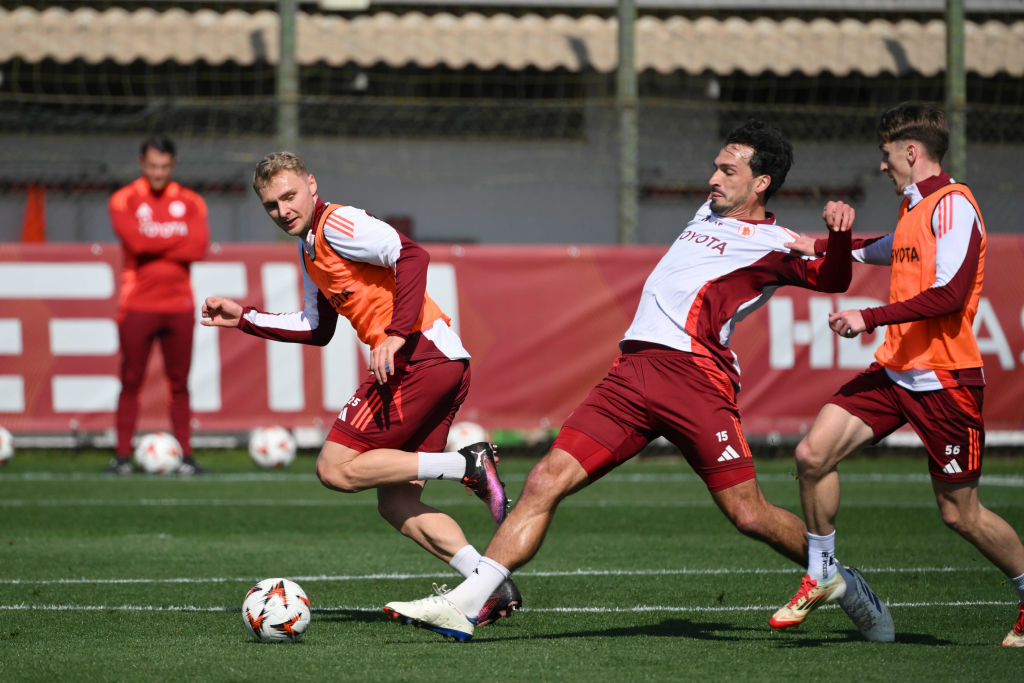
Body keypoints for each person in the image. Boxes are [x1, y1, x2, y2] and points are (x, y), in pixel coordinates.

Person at [382, 120, 888, 643]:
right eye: (716, 165)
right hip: (631, 376)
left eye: (728, 170)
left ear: (761, 183)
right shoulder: (706, 212)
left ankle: (840, 579)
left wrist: (841, 232)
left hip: (695, 381)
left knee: (748, 514)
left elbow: (834, 277)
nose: (713, 177)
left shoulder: (778, 243)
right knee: (543, 480)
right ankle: (465, 605)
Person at [200, 151, 521, 626]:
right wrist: (244, 318)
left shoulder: (338, 223)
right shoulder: (310, 248)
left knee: (334, 467)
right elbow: (317, 327)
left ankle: (466, 463)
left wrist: (395, 332)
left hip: (419, 358)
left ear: (311, 185)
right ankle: (488, 584)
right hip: (439, 363)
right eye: (271, 205)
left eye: (289, 196)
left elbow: (412, 254)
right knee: (398, 503)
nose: (283, 209)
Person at [770, 102, 1024, 648]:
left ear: (912, 152)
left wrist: (869, 316)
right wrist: (810, 243)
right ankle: (822, 571)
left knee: (961, 515)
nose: (882, 167)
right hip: (895, 373)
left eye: (887, 157)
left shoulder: (954, 206)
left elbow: (951, 293)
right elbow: (882, 249)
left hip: (946, 382)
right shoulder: (915, 209)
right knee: (813, 455)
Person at [105, 135, 210, 475]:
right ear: (142, 164)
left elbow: (198, 248)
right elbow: (134, 240)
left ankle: (186, 456)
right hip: (137, 304)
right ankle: (122, 456)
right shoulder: (124, 199)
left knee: (179, 382)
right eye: (152, 166)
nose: (158, 172)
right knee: (131, 379)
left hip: (179, 305)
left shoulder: (192, 201)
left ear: (173, 166)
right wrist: (176, 239)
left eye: (164, 166)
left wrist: (154, 243)